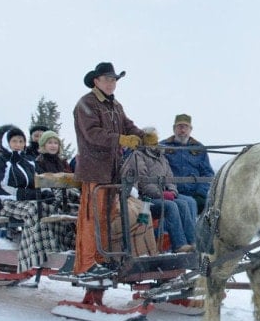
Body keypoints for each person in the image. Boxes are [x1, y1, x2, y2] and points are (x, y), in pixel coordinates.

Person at [73, 61, 145, 276]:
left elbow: (129, 126)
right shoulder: (86, 104)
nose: (111, 83)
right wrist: (122, 139)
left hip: (113, 171)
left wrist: (144, 136)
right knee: (91, 217)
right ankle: (86, 264)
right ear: (96, 81)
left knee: (107, 215)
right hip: (94, 169)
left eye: (114, 80)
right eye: (107, 79)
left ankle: (100, 258)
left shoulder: (116, 106)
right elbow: (92, 134)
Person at [0, 126, 69, 271]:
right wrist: (20, 194)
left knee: (51, 208)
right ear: (7, 143)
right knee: (34, 210)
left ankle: (57, 245)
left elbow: (41, 178)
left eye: (21, 141)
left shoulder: (29, 160)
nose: (18, 144)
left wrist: (46, 192)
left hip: (30, 199)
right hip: (8, 202)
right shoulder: (2, 162)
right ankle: (32, 254)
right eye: (14, 141)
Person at [121, 128, 196, 252]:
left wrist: (172, 191)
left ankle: (193, 242)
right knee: (171, 206)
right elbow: (144, 183)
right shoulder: (138, 156)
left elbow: (169, 177)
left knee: (184, 203)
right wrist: (160, 194)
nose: (154, 144)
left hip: (161, 195)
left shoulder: (161, 156)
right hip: (145, 200)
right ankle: (179, 245)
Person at [160, 113, 215, 213]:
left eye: (185, 127)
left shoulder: (199, 148)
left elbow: (208, 174)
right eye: (179, 127)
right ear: (174, 129)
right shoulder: (162, 146)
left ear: (190, 129)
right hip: (171, 192)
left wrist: (200, 193)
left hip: (194, 193)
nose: (182, 130)